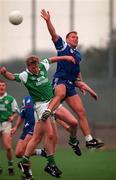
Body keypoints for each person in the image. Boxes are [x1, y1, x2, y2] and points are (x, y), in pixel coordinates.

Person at [0, 55, 80, 179]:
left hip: (53, 102)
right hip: (41, 106)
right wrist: (5, 73)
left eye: (36, 65)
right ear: (28, 67)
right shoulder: (25, 75)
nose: (36, 68)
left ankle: (73, 141)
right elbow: (12, 76)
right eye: (33, 67)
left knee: (74, 122)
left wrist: (67, 57)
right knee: (50, 135)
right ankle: (51, 164)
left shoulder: (42, 66)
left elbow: (52, 59)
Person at [41, 9, 104, 149]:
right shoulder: (63, 46)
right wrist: (48, 21)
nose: (76, 38)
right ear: (67, 39)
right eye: (73, 36)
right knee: (61, 93)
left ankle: (89, 140)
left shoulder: (78, 55)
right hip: (60, 80)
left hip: (70, 84)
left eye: (77, 37)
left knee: (81, 112)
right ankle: (48, 111)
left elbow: (77, 75)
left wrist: (87, 89)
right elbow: (53, 34)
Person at [0, 80, 19, 175]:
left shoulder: (10, 98)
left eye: (3, 85)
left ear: (5, 87)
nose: (1, 87)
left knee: (7, 147)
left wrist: (12, 116)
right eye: (0, 85)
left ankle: (10, 166)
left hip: (6, 124)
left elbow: (16, 111)